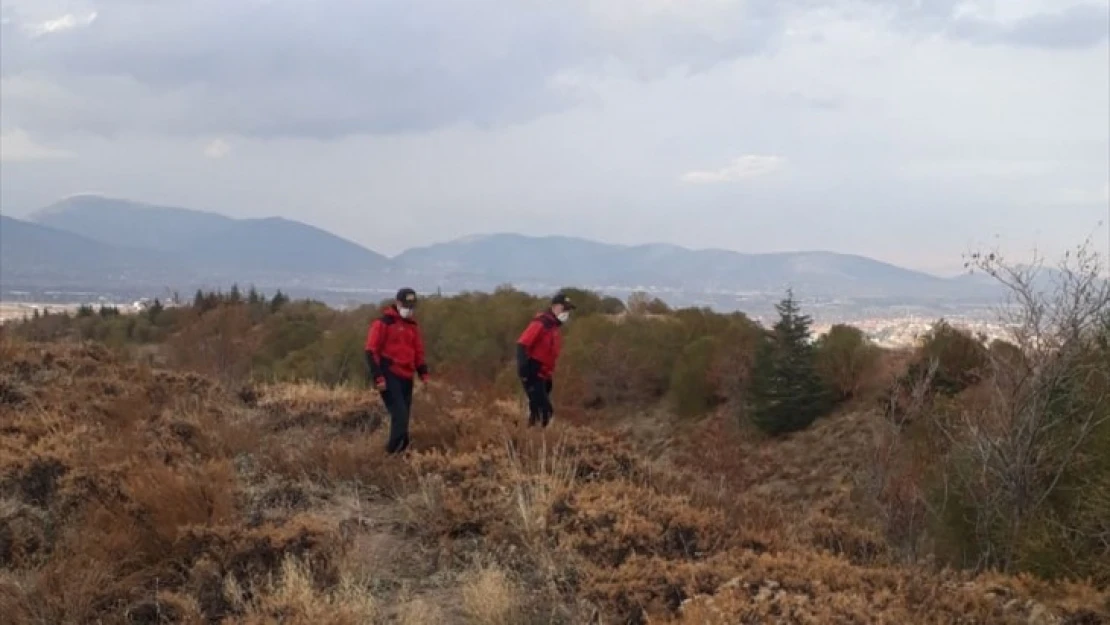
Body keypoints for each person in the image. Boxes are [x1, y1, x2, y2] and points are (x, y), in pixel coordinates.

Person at [365, 288, 429, 454]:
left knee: (404, 418)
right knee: (399, 415)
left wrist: (423, 373)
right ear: (398, 303)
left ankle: (401, 452)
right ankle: (391, 454)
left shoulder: (412, 326)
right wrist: (378, 377)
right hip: (389, 374)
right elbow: (371, 351)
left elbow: (418, 351)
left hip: (407, 376)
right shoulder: (383, 324)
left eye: (412, 306)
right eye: (407, 305)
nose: (409, 309)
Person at [516, 292, 575, 427]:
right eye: (563, 308)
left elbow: (549, 354)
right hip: (532, 371)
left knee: (537, 411)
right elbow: (522, 344)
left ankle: (530, 437)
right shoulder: (541, 323)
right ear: (554, 307)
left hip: (543, 374)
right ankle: (540, 439)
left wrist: (547, 377)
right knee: (545, 411)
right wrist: (524, 370)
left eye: (568, 310)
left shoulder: (553, 327)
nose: (566, 312)